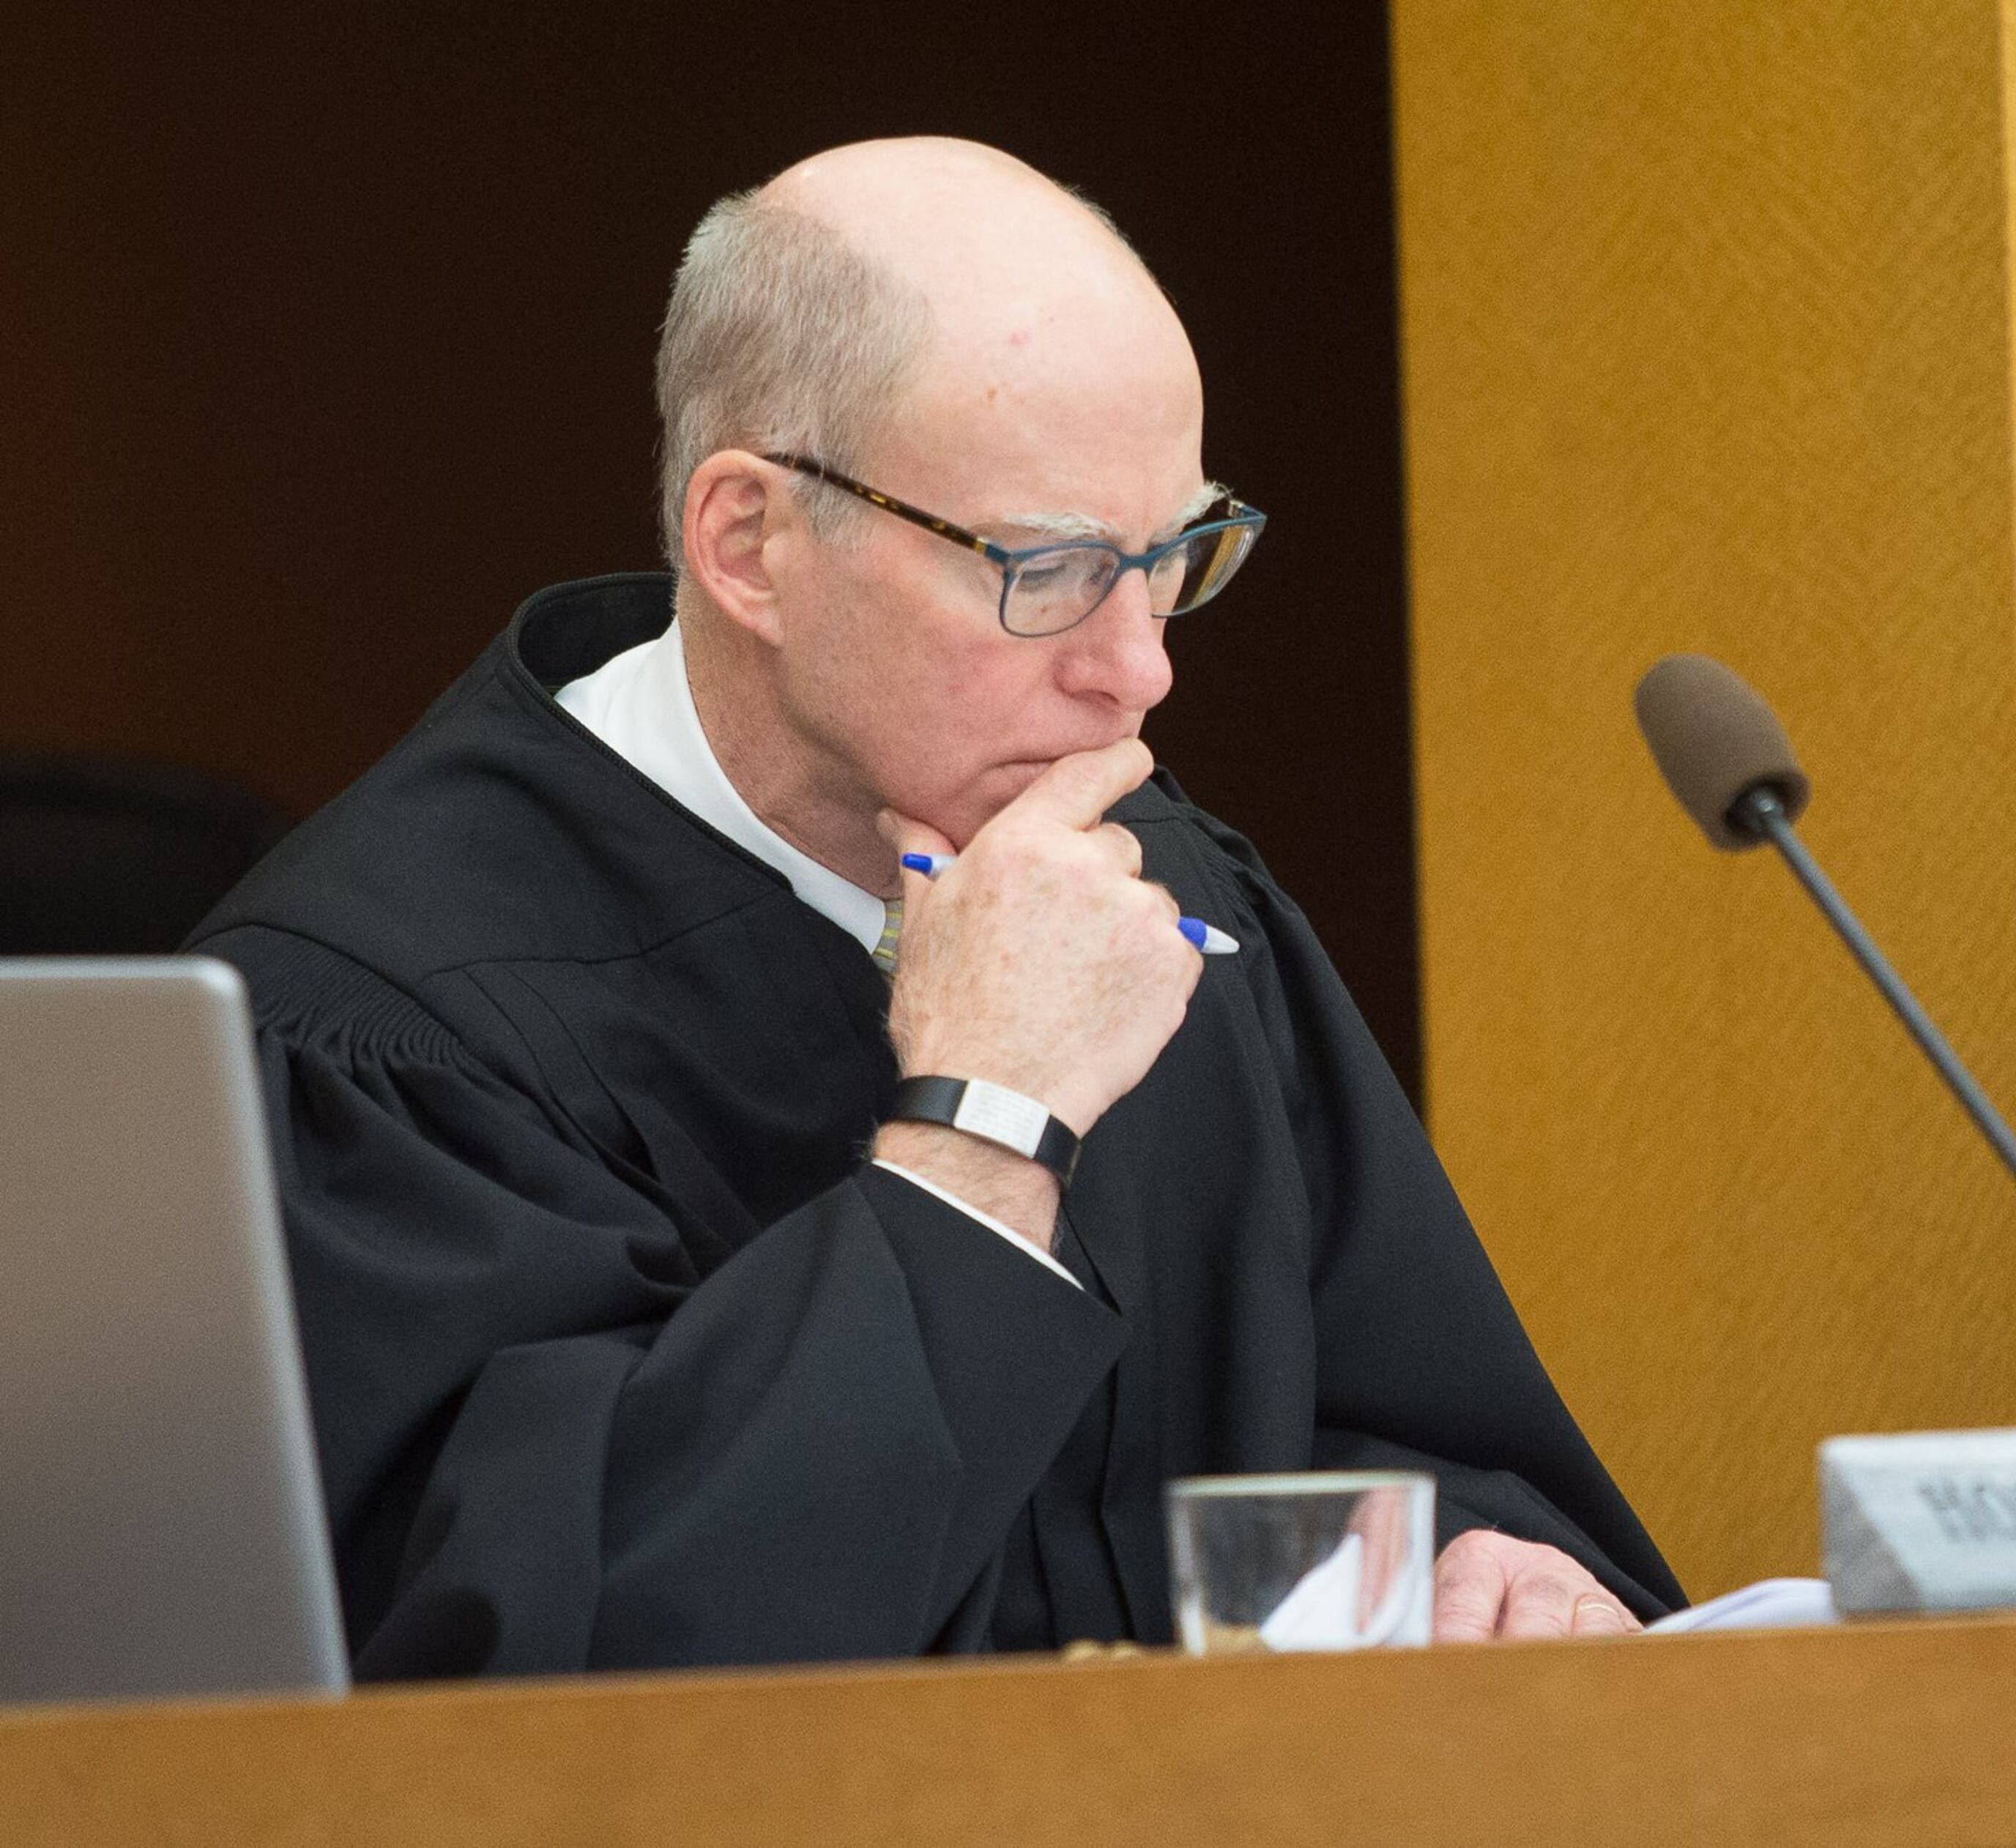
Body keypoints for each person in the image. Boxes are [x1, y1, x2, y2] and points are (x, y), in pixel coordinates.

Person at [190, 136, 1681, 1677]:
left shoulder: (1160, 893)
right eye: (1048, 568)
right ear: (749, 541)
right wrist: (990, 1127)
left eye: (1174, 555)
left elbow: (1427, 1445)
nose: (1141, 668)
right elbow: (570, 1696)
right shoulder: (382, 1026)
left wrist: (1488, 1566)